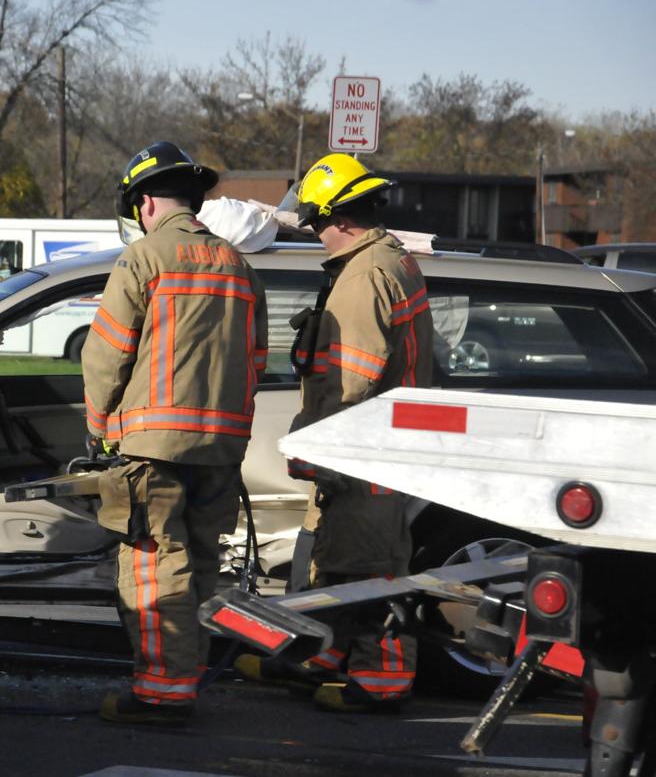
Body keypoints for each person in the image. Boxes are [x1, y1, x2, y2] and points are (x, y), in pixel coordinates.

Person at [235, 153, 434, 712]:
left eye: (317, 222)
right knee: (337, 559)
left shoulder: (365, 276)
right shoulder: (389, 261)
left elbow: (350, 378)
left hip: (365, 450)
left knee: (370, 567)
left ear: (339, 217)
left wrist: (312, 442)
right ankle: (322, 656)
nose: (316, 234)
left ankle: (380, 682)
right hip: (378, 446)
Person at [86, 141, 269, 727]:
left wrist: (100, 429)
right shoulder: (240, 265)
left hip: (150, 447)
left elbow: (106, 355)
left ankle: (164, 691)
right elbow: (257, 358)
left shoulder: (145, 258)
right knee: (202, 561)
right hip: (221, 449)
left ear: (144, 203)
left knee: (153, 561)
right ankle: (188, 674)